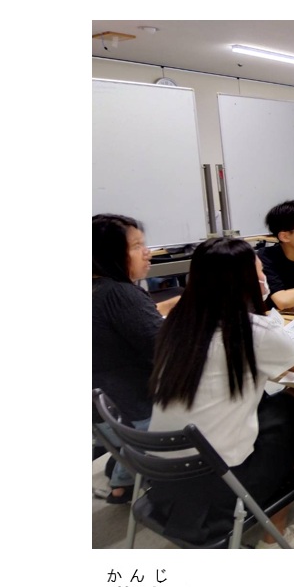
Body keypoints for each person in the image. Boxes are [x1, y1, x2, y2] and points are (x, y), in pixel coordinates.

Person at [147, 237, 294, 548]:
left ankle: (292, 481)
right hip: (219, 482)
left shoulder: (178, 323)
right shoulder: (249, 330)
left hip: (162, 478)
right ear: (242, 281)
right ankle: (275, 539)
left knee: (287, 404)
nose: (263, 278)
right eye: (259, 273)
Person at [92, 214, 178, 504]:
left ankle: (123, 481)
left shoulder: (97, 290)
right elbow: (168, 353)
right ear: (109, 254)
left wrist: (165, 307)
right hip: (139, 415)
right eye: (137, 246)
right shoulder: (121, 294)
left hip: (104, 415)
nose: (147, 252)